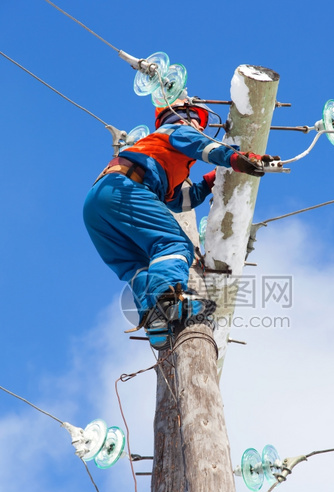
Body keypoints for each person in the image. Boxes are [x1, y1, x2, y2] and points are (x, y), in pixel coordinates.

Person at [83, 97, 267, 348]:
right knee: (174, 243)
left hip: (98, 203)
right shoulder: (174, 130)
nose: (201, 128)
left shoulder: (162, 158)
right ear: (184, 116)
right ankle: (168, 299)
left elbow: (178, 201)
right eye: (199, 122)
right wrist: (234, 158)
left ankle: (156, 320)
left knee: (136, 266)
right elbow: (203, 147)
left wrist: (210, 182)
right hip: (124, 188)